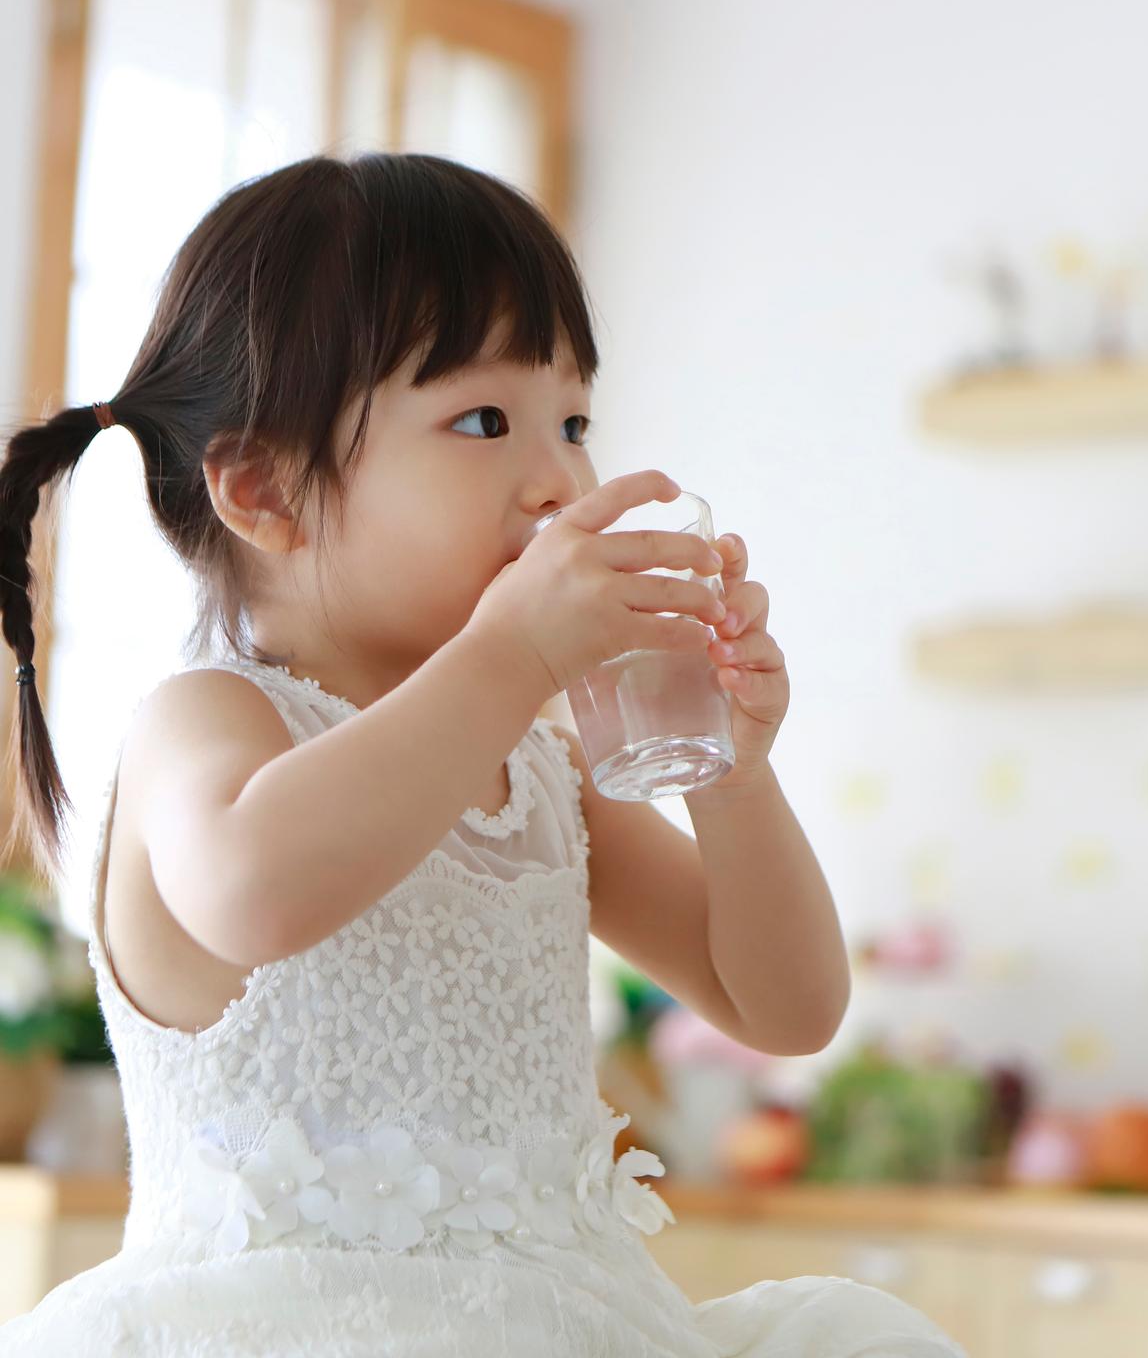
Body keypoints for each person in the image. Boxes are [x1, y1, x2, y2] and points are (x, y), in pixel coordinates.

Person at [0, 154, 961, 1356]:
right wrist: (510, 658)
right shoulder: (211, 717)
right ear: (262, 489)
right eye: (483, 420)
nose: (560, 477)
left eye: (575, 420)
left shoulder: (540, 768)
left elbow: (789, 1004)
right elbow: (257, 889)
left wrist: (732, 768)